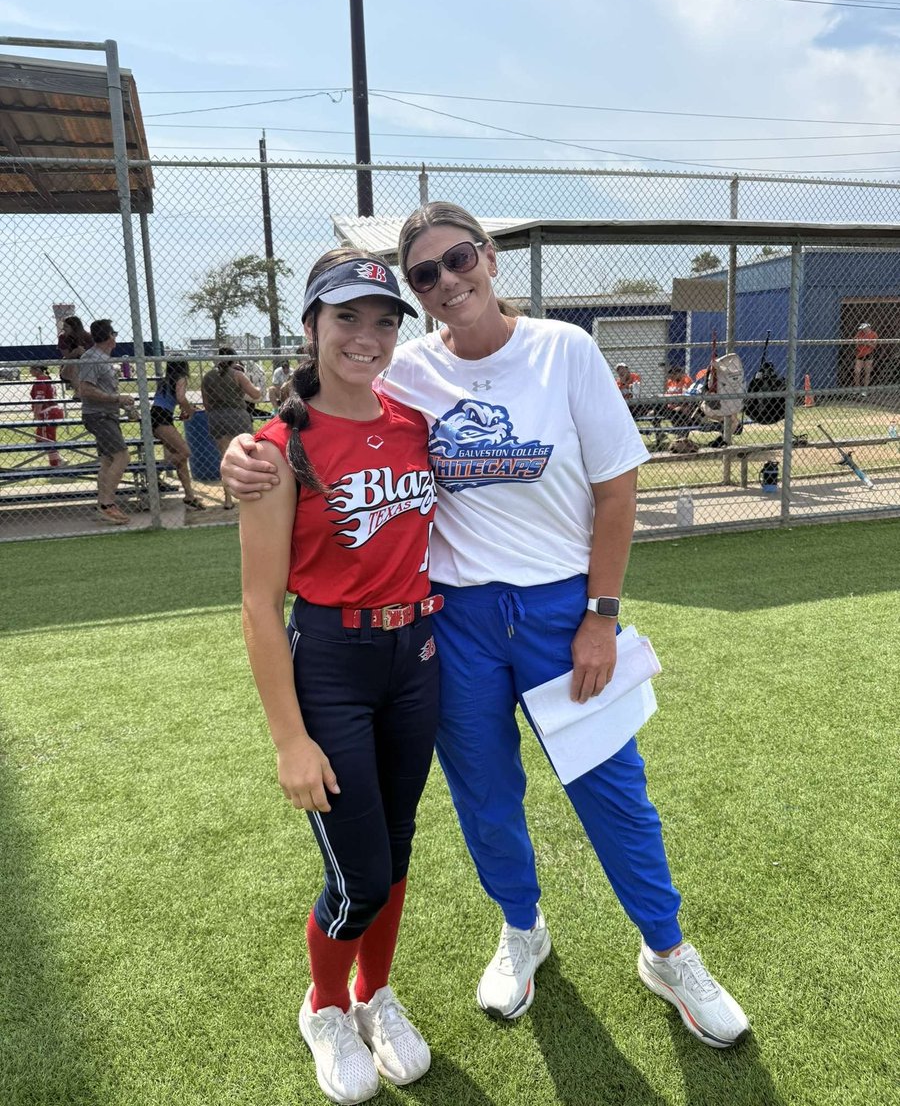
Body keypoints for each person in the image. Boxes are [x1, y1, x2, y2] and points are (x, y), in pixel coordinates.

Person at [221, 203, 750, 1050]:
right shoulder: (403, 369)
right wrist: (243, 456)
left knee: (613, 789)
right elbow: (321, 409)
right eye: (424, 274)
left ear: (489, 256)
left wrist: (600, 616)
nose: (447, 281)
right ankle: (521, 928)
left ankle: (667, 948)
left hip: (562, 609)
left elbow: (617, 492)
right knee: (485, 796)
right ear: (416, 294)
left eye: (458, 259)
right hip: (454, 619)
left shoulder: (564, 351)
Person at [240, 250, 439, 1104]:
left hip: (416, 656)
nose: (368, 336)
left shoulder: (413, 422)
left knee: (396, 851)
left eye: (384, 319)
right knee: (357, 872)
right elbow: (257, 605)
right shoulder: (277, 448)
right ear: (313, 326)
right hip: (330, 663)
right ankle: (323, 1004)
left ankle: (374, 993)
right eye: (347, 317)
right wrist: (290, 739)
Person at [77, 319, 134, 525]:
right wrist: (116, 399)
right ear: (109, 336)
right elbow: (86, 389)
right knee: (122, 456)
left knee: (108, 460)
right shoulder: (91, 358)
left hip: (107, 414)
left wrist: (120, 403)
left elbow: (103, 390)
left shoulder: (103, 358)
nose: (115, 338)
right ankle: (107, 504)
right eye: (114, 334)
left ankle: (102, 503)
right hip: (98, 416)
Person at [200, 349, 263, 509]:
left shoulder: (207, 377)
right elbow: (255, 394)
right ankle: (248, 495)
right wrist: (256, 386)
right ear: (233, 359)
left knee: (225, 459)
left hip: (216, 417)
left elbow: (206, 404)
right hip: (237, 416)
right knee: (246, 456)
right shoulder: (237, 374)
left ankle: (228, 500)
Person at [150, 358, 206, 511]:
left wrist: (185, 410)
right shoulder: (181, 378)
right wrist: (190, 410)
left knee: (179, 457)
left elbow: (170, 400)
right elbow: (181, 398)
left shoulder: (165, 380)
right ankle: (154, 471)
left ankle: (189, 496)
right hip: (161, 417)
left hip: (159, 415)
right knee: (185, 452)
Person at [28, 364, 64, 468]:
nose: (30, 371)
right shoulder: (47, 379)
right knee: (41, 437)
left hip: (47, 411)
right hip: (53, 410)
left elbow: (40, 399)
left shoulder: (40, 380)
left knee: (47, 439)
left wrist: (36, 414)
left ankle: (55, 463)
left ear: (37, 369)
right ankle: (57, 457)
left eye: (31, 368)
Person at [57, 314, 92, 399]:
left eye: (66, 326)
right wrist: (74, 352)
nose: (63, 328)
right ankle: (78, 392)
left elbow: (94, 354)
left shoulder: (87, 336)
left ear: (74, 327)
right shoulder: (62, 337)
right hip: (69, 368)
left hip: (86, 367)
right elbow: (66, 355)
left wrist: (84, 353)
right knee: (74, 363)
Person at [853, 322, 878, 394]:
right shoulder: (860, 333)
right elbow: (855, 342)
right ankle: (857, 387)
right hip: (860, 354)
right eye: (862, 329)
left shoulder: (873, 334)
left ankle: (865, 389)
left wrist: (867, 343)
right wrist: (859, 342)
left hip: (869, 354)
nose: (863, 330)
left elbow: (874, 346)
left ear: (868, 328)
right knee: (857, 371)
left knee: (867, 372)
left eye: (864, 329)